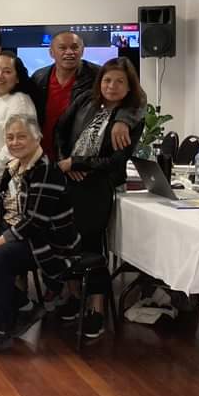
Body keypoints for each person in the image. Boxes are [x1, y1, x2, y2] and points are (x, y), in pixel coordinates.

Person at [0, 115, 79, 355]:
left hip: (45, 241)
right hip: (14, 230)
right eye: (10, 137)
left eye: (21, 136)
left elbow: (35, 222)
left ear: (37, 138)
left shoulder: (46, 171)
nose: (15, 142)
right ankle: (25, 306)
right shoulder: (13, 167)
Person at [54, 58, 145, 339]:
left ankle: (97, 308)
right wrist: (66, 161)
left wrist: (78, 163)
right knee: (64, 241)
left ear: (129, 87)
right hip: (68, 179)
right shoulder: (86, 101)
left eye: (119, 81)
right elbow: (60, 131)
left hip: (97, 186)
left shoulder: (130, 117)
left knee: (90, 245)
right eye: (107, 80)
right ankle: (73, 296)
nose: (112, 86)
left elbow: (116, 160)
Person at [31, 31, 142, 160]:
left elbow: (138, 96)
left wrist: (123, 120)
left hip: (75, 158)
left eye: (74, 47)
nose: (69, 52)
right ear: (51, 52)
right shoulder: (39, 77)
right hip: (39, 153)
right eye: (62, 48)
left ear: (82, 51)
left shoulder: (97, 75)